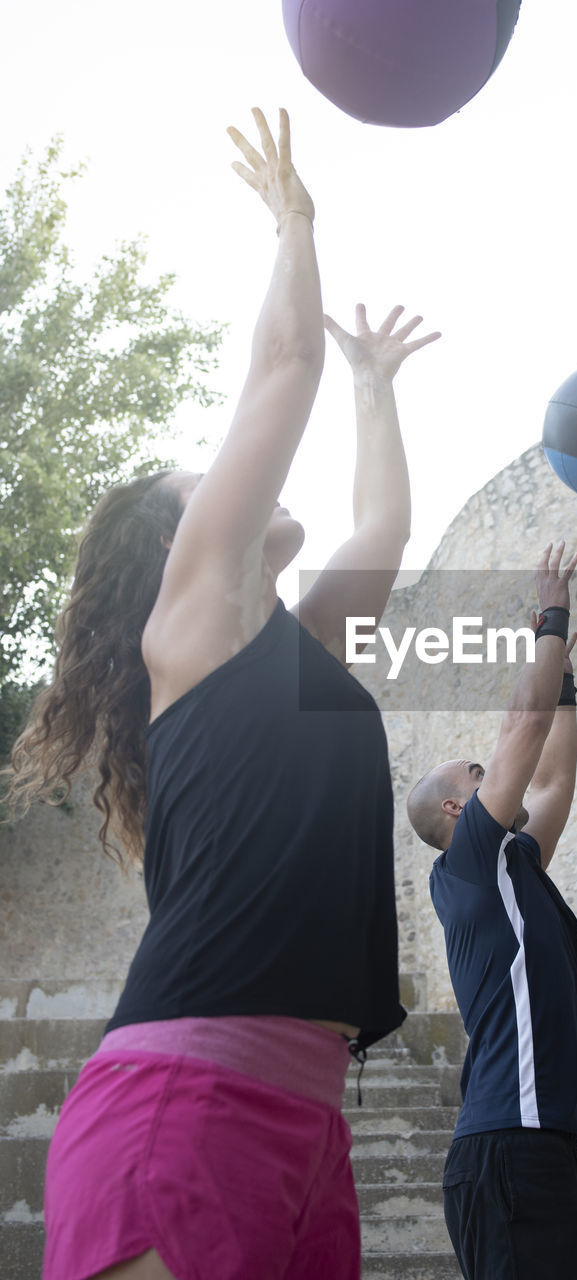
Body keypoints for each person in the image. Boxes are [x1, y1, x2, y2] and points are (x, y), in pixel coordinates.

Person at [5, 107, 439, 1280]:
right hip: (181, 1104)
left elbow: (383, 525)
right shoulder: (187, 624)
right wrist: (295, 224)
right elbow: (276, 367)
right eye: (207, 472)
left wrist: (373, 384)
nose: (237, 470)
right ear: (179, 534)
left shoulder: (291, 655)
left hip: (303, 1119)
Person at [406, 542, 577, 1280]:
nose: (494, 769)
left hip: (538, 1148)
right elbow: (523, 732)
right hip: (507, 1151)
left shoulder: (512, 865)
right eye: (479, 769)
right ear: (460, 808)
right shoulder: (467, 861)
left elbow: (554, 776)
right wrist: (549, 621)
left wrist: (564, 681)